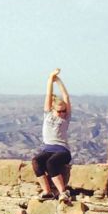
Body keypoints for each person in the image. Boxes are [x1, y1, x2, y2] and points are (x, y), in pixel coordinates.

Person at [32, 69, 73, 203]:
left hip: (62, 150)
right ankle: (47, 191)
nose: (62, 113)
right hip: (48, 149)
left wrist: (59, 81)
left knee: (51, 163)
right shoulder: (48, 114)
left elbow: (66, 97)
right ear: (53, 109)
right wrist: (51, 78)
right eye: (59, 111)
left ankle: (63, 192)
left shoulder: (65, 118)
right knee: (36, 162)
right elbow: (48, 95)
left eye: (64, 111)